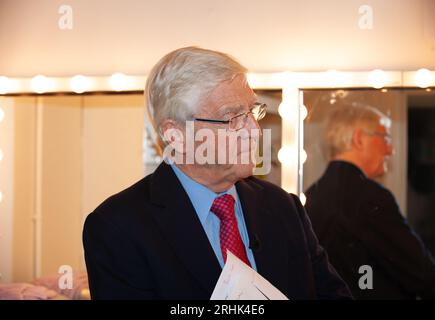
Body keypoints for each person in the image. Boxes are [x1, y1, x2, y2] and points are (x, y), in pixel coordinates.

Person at [83, 46, 351, 300]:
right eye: (232, 118)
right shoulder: (118, 227)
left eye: (252, 112)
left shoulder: (283, 207)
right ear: (175, 135)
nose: (254, 132)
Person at [305, 104, 435, 299]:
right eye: (385, 138)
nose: (390, 149)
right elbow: (421, 273)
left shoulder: (313, 193)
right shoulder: (369, 197)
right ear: (359, 139)